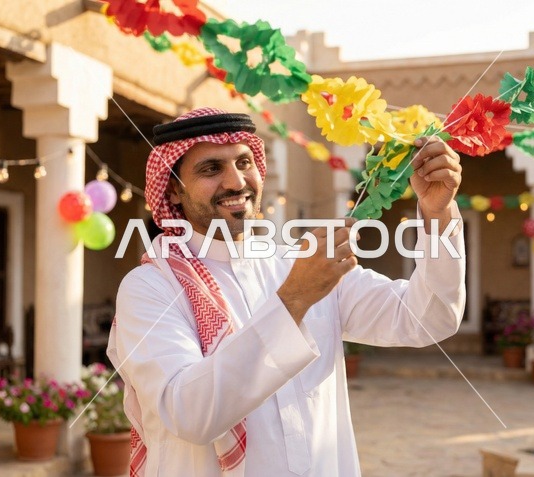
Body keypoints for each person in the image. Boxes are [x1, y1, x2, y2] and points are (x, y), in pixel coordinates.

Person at [107, 107, 466, 477]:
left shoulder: (300, 264)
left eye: (244, 162)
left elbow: (429, 319)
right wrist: (293, 300)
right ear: (174, 191)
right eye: (211, 169)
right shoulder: (150, 288)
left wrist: (437, 213)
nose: (235, 182)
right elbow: (190, 414)